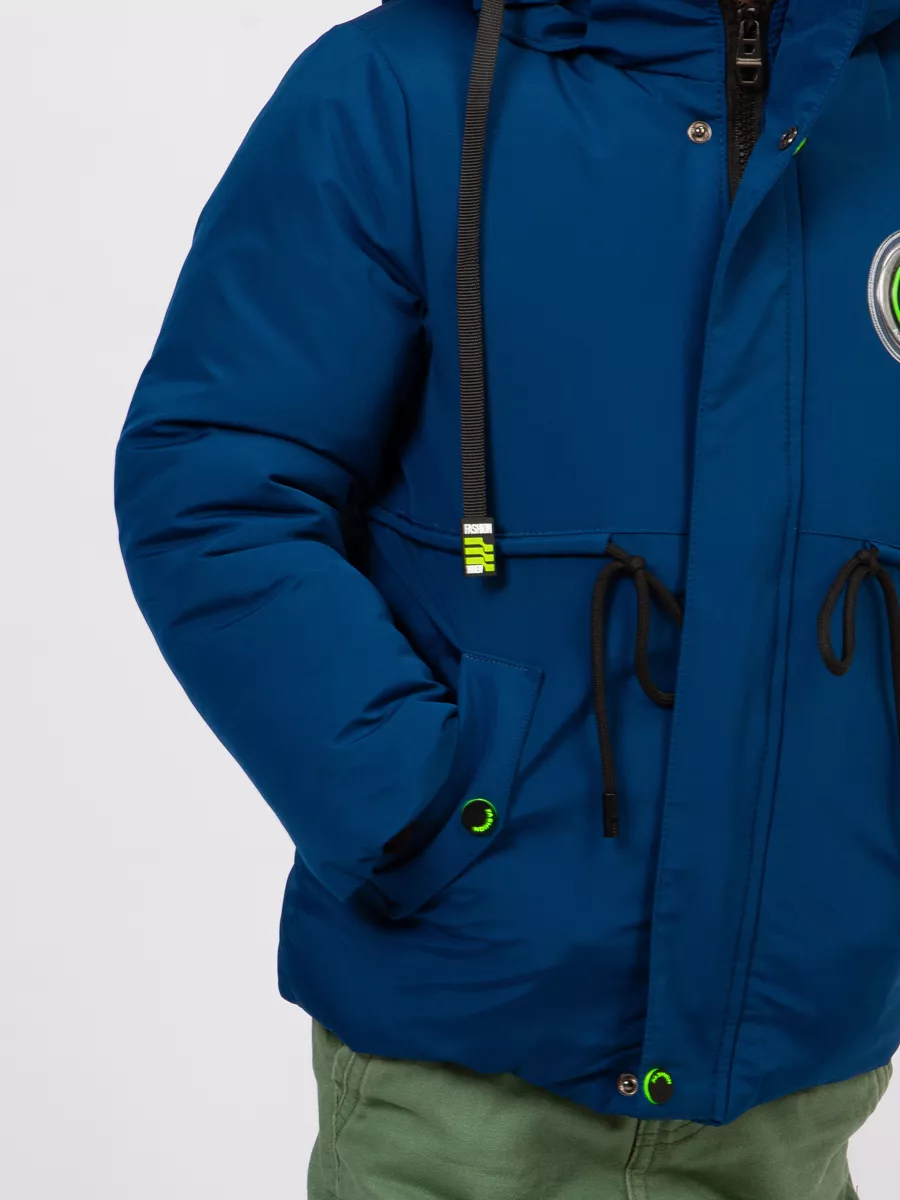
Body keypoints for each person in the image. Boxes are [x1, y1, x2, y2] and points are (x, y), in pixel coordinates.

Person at [114, 0, 900, 1195]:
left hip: (799, 1078)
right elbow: (220, 485)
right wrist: (419, 809)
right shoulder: (392, 93)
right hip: (460, 1078)